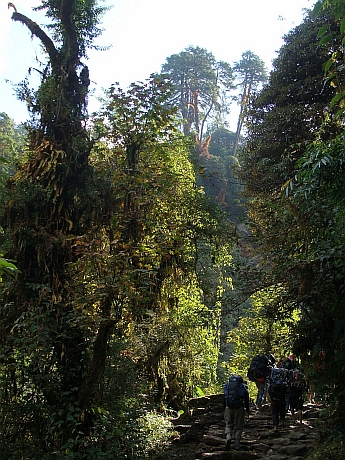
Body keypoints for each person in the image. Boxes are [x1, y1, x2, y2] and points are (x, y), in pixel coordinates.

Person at [224, 374, 250, 451]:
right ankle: (237, 444)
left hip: (229, 407)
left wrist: (225, 408)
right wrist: (247, 411)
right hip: (239, 408)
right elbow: (246, 400)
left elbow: (224, 397)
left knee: (228, 425)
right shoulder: (242, 387)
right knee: (239, 427)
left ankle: (228, 437)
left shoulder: (227, 385)